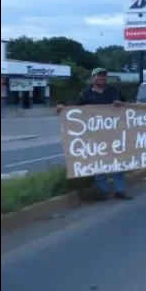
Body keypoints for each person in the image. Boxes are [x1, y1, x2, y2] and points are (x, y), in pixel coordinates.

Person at [56, 67, 132, 200]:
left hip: (114, 134)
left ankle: (120, 190)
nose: (102, 77)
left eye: (104, 75)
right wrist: (62, 109)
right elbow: (74, 110)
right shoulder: (84, 95)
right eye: (99, 75)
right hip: (94, 136)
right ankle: (104, 191)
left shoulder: (115, 91)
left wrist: (121, 104)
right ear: (93, 78)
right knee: (98, 163)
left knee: (118, 162)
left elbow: (128, 106)